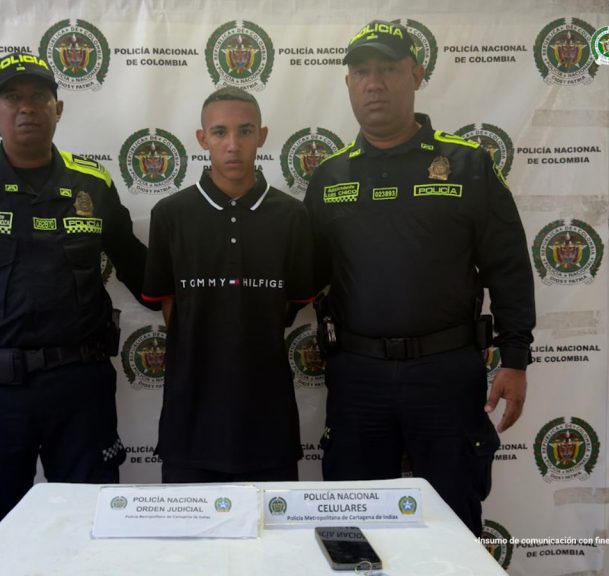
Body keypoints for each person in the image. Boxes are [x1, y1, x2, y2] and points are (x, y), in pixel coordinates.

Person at [0, 52, 153, 551]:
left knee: (92, 524)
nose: (27, 108)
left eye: (39, 97)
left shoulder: (93, 185)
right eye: (13, 98)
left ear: (58, 108)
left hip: (79, 388)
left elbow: (138, 268)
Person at [304, 21, 535, 535]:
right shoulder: (328, 177)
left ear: (416, 75)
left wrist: (516, 357)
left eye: (388, 69)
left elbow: (509, 267)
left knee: (453, 525)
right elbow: (306, 275)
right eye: (362, 72)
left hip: (446, 376)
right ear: (348, 84)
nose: (374, 83)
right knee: (355, 530)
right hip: (358, 378)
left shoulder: (468, 165)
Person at [142, 87, 314, 483]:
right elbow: (169, 304)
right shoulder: (170, 214)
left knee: (271, 526)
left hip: (268, 423)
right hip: (190, 422)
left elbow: (292, 302)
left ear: (262, 136)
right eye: (220, 132)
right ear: (202, 139)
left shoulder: (292, 216)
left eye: (245, 131)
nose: (233, 145)